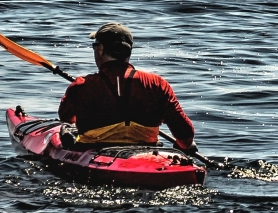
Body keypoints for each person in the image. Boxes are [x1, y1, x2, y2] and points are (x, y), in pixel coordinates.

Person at [58, 22, 197, 153]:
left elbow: (67, 118)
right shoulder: (157, 84)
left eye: (95, 46)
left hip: (95, 155)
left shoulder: (81, 85)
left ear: (100, 50)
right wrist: (185, 146)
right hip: (146, 156)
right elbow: (185, 137)